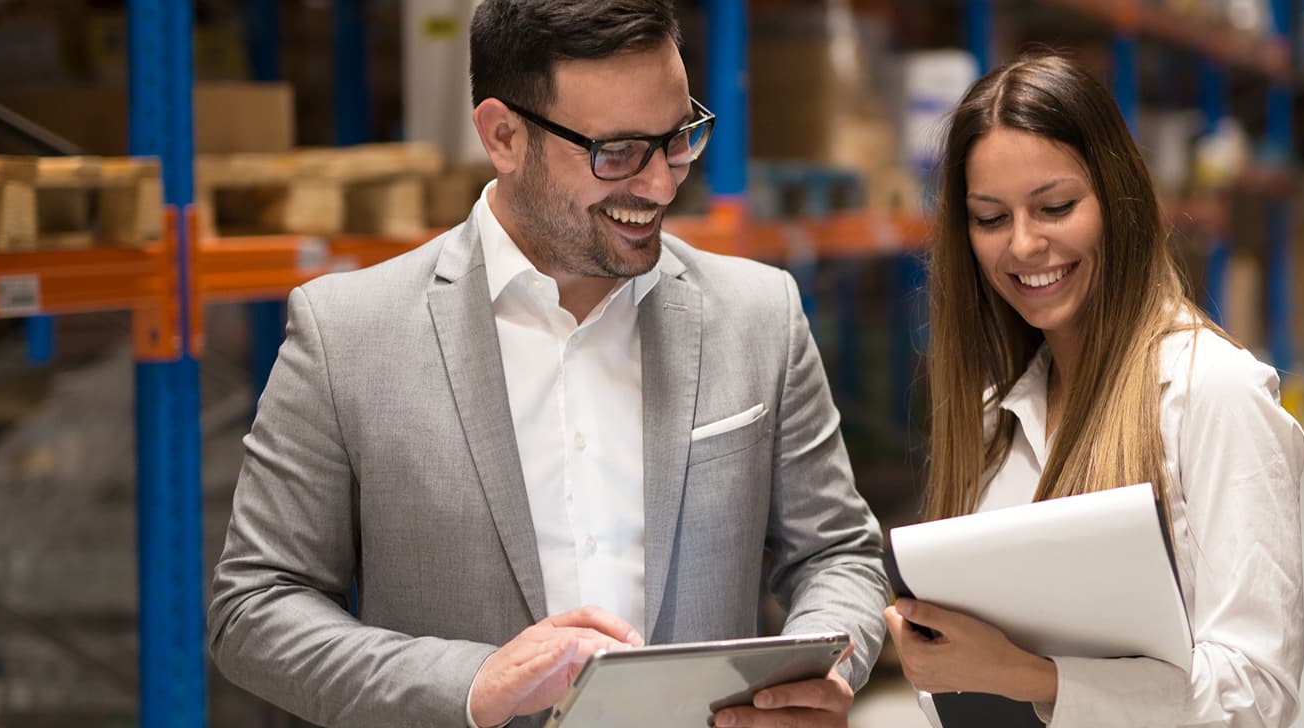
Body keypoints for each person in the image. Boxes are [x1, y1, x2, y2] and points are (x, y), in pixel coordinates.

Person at [206, 2, 888, 726]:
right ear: (503, 135)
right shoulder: (347, 335)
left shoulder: (758, 314)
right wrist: (472, 683)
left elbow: (838, 553)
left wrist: (815, 675)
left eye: (678, 138)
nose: (661, 185)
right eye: (617, 152)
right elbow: (255, 608)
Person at [880, 54, 1304, 727]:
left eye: (1055, 207)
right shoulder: (996, 418)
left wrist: (1026, 677)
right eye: (990, 218)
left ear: (1117, 197)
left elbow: (1256, 697)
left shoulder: (1213, 395)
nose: (1024, 245)